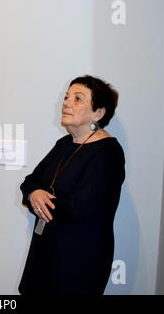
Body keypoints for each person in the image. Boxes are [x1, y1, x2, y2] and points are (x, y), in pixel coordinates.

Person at [18, 75, 125, 295]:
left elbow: (80, 208)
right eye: (67, 97)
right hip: (45, 252)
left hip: (78, 261)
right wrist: (35, 193)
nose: (66, 103)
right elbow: (30, 182)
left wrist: (40, 201)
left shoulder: (108, 152)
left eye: (78, 99)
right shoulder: (65, 143)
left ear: (99, 113)